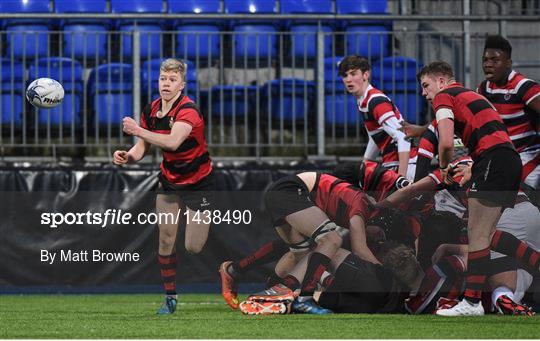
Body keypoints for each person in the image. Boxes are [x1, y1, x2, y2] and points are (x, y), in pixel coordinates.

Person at [417, 61, 523, 316]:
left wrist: (443, 167)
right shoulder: (472, 95)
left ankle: (472, 303)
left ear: (441, 81)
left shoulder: (444, 96)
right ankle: (476, 300)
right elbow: (494, 137)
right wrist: (475, 167)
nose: (424, 93)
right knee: (485, 234)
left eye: (425, 85)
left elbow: (445, 142)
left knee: (476, 233)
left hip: (494, 161)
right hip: (507, 161)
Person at [113, 58, 215, 315]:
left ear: (182, 84)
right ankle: (170, 297)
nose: (166, 84)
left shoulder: (188, 110)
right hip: (169, 181)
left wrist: (137, 129)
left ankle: (228, 272)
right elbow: (141, 149)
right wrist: (128, 156)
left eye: (172, 80)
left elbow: (172, 142)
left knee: (193, 246)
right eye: (162, 79)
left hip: (199, 183)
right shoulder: (151, 110)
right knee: (166, 239)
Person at [477, 35, 540, 194]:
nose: (488, 65)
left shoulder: (522, 86)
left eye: (494, 60)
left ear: (508, 64)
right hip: (502, 156)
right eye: (485, 60)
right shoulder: (484, 89)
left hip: (528, 154)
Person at [339, 55, 412, 178]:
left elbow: (403, 136)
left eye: (353, 74)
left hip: (405, 163)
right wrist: (364, 165)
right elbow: (375, 137)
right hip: (392, 161)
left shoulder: (376, 101)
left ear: (365, 75)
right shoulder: (363, 101)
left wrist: (401, 178)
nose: (348, 79)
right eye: (345, 75)